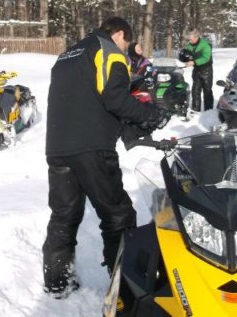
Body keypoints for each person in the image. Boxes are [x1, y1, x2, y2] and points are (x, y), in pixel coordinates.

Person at [42, 17, 171, 298]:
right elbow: (115, 99)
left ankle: (57, 282)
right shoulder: (108, 51)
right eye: (127, 44)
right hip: (92, 147)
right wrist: (152, 115)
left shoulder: (67, 54)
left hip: (57, 148)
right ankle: (125, 284)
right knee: (118, 214)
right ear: (121, 34)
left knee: (64, 214)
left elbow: (86, 98)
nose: (126, 49)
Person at [182, 29, 214, 112]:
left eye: (191, 39)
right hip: (196, 70)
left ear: (196, 37)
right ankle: (195, 110)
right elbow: (188, 55)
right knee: (195, 90)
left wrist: (194, 62)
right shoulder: (190, 45)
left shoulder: (205, 45)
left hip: (206, 70)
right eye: (189, 39)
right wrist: (185, 59)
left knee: (207, 91)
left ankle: (209, 110)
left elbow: (206, 58)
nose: (190, 41)